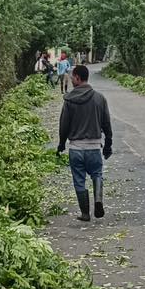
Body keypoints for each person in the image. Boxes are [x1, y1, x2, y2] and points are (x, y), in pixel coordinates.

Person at [57, 63, 113, 221]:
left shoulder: (69, 100)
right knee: (97, 174)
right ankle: (98, 200)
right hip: (94, 147)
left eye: (72, 76)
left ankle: (85, 213)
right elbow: (106, 124)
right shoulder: (99, 98)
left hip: (76, 148)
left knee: (79, 180)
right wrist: (108, 144)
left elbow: (64, 125)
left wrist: (61, 144)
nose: (71, 79)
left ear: (77, 77)